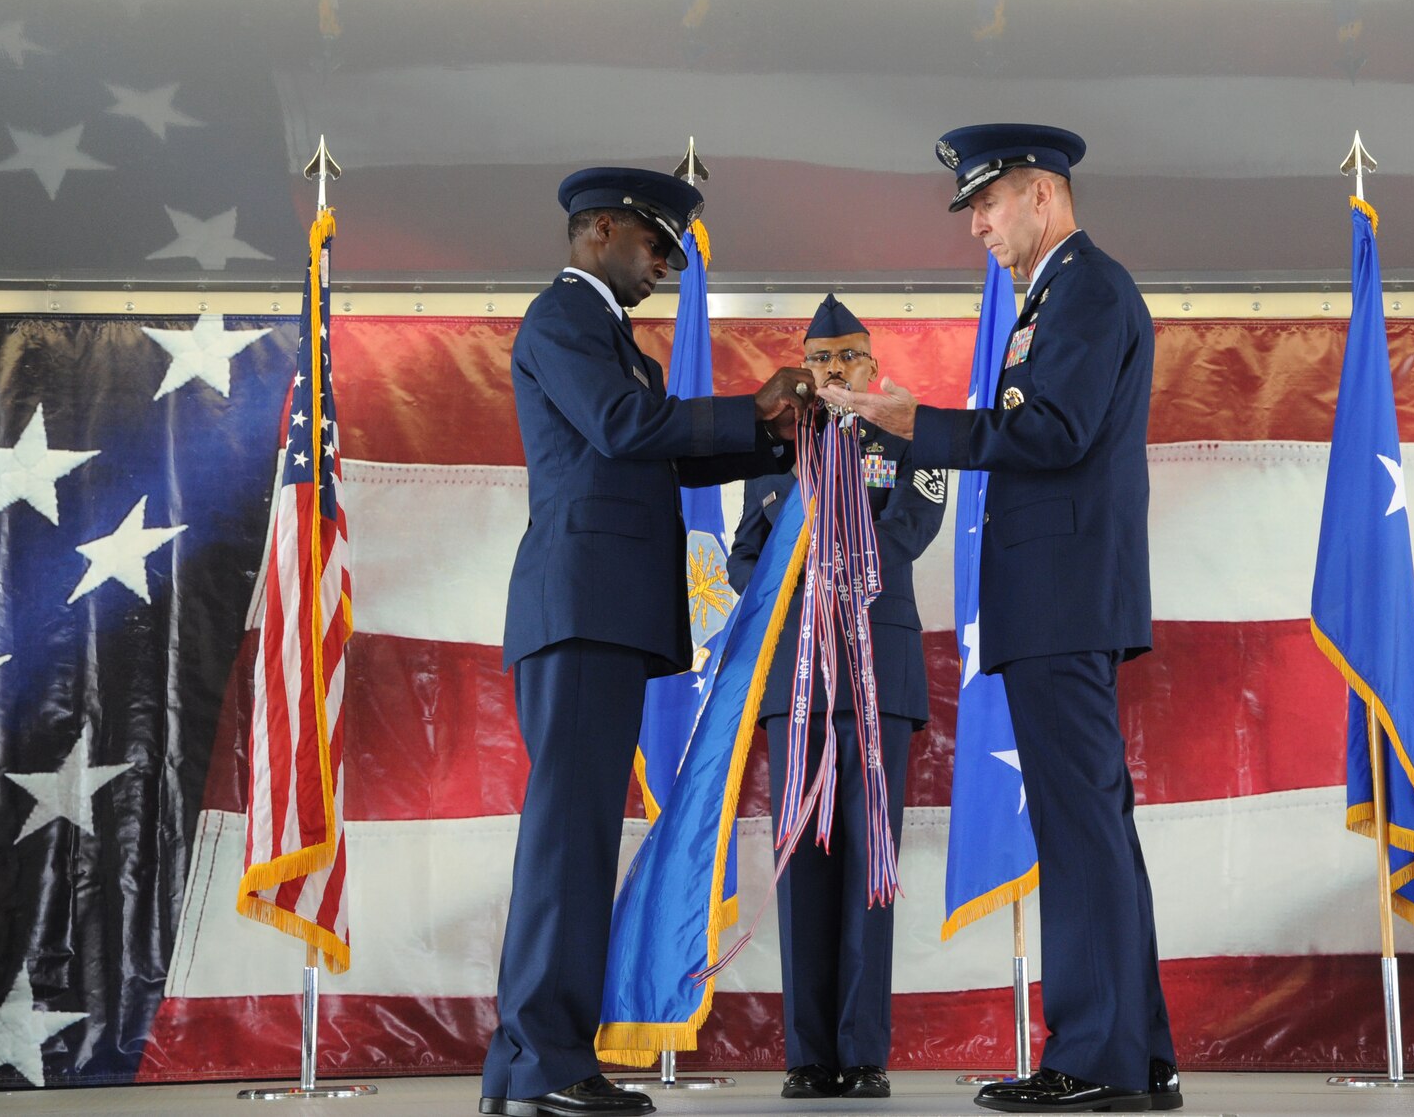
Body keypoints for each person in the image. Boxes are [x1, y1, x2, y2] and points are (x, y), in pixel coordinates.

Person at [820, 125, 1181, 1114]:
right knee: (1091, 822)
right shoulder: (1059, 293)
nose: (975, 223)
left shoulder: (1087, 289)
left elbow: (1050, 432)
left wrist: (907, 418)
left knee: (1076, 827)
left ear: (1042, 194)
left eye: (987, 201)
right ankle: (1135, 1053)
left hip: (1062, 594)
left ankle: (1096, 1056)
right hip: (1056, 593)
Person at [483, 167, 816, 1117]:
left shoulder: (614, 338)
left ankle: (531, 1064)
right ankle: (543, 1062)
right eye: (656, 244)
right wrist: (755, 406)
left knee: (578, 838)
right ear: (596, 230)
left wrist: (785, 441)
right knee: (567, 843)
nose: (668, 263)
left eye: (673, 250)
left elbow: (665, 450)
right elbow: (625, 427)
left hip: (606, 612)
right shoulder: (561, 320)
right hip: (581, 608)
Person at [727, 295, 947, 1101]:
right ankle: (808, 1054)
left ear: (870, 365)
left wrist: (824, 561)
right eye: (817, 362)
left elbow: (910, 529)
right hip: (796, 685)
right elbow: (743, 559)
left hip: (875, 681)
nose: (830, 374)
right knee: (802, 871)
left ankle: (863, 1052)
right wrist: (790, 581)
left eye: (844, 359)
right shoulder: (775, 453)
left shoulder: (903, 435)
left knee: (869, 870)